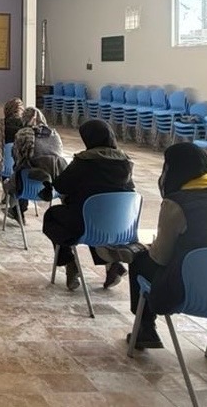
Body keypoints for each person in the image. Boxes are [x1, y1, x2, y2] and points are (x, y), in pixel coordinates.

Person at [106, 143, 207, 359]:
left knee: (140, 259)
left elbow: (160, 258)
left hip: (193, 292)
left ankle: (146, 328)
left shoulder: (177, 203)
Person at [43, 120, 134, 291]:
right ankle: (112, 265)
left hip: (87, 224)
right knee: (95, 213)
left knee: (53, 217)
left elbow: (61, 185)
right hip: (120, 225)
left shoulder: (84, 161)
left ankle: (70, 263)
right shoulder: (125, 162)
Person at [5, 107, 66, 219]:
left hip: (28, 185)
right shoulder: (54, 134)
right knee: (26, 170)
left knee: (21, 171)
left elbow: (17, 159)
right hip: (55, 184)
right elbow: (59, 155)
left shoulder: (22, 134)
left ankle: (18, 211)